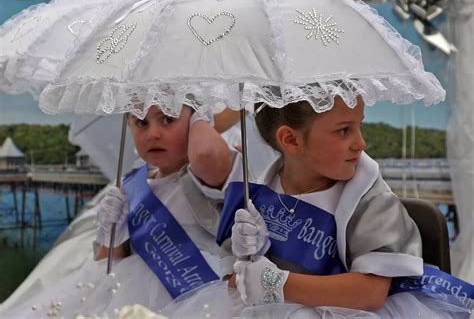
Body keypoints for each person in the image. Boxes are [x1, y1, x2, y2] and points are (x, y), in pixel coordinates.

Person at [162, 96, 473, 318]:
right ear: (291, 140)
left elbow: (370, 293)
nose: (361, 142)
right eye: (344, 130)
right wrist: (245, 258)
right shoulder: (255, 193)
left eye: (359, 126)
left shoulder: (371, 200)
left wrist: (276, 283)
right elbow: (234, 283)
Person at [1, 105, 242, 318]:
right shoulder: (132, 184)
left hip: (195, 300)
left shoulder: (206, 180)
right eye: (141, 122)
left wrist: (200, 113)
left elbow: (207, 154)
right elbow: (107, 263)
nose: (153, 133)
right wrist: (111, 234)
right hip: (126, 296)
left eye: (168, 119)